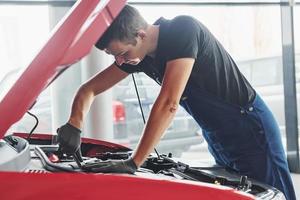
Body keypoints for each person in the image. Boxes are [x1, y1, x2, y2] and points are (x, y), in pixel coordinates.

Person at [57, 5, 296, 200]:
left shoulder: (182, 30)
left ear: (141, 34)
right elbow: (88, 89)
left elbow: (168, 103)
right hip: (218, 136)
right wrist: (74, 123)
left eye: (122, 53)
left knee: (275, 196)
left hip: (250, 130)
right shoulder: (139, 56)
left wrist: (134, 162)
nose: (120, 60)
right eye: (113, 56)